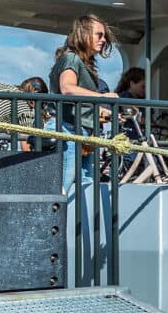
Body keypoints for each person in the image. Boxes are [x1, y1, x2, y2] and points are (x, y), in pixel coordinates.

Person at [48, 13, 118, 187]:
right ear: (83, 34)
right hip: (68, 129)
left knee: (85, 184)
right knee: (65, 184)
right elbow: (67, 88)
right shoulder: (71, 58)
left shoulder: (82, 62)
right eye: (99, 35)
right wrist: (102, 97)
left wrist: (102, 111)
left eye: (104, 36)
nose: (103, 40)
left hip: (80, 131)